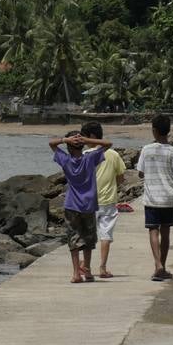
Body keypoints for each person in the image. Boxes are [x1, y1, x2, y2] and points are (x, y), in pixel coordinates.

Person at [48, 125, 114, 284]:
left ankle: (76, 273)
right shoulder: (90, 159)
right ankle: (88, 271)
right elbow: (108, 144)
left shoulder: (65, 159)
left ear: (68, 147)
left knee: (74, 239)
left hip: (72, 204)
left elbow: (51, 144)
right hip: (89, 204)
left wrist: (65, 140)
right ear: (82, 145)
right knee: (89, 239)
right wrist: (86, 140)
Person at [136, 114, 173, 281]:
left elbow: (140, 173)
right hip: (168, 198)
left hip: (152, 198)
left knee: (153, 230)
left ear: (154, 131)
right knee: (165, 233)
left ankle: (158, 265)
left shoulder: (146, 149)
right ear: (168, 131)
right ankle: (162, 267)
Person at [81, 121, 126, 279]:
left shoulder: (85, 156)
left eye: (84, 138)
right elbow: (121, 178)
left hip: (89, 201)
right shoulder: (113, 154)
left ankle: (86, 266)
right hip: (108, 201)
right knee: (106, 235)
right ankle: (102, 267)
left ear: (91, 138)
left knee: (88, 236)